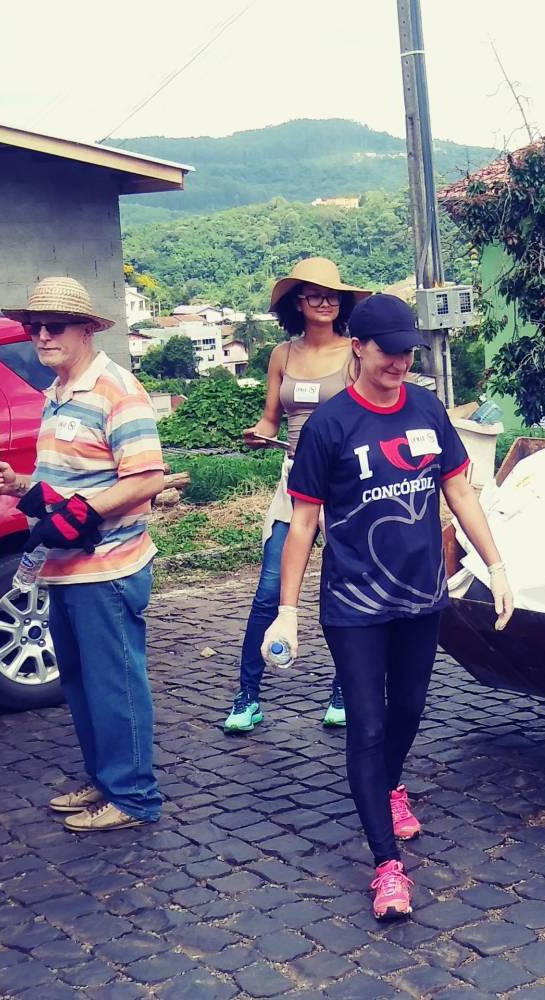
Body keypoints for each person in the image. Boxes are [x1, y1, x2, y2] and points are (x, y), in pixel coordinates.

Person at [263, 293, 513, 920]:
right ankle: (386, 865)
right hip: (354, 601)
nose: (400, 362)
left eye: (408, 352)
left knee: (408, 709)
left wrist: (496, 564)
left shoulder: (426, 408)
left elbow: (458, 488)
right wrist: (287, 608)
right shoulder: (329, 426)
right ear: (359, 348)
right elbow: (303, 523)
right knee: (368, 725)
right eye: (389, 352)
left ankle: (390, 785)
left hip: (421, 595)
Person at [0, 277, 167, 833]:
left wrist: (82, 513)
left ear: (86, 329)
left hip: (107, 567)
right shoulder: (57, 392)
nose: (42, 335)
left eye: (55, 326)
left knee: (115, 686)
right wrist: (17, 483)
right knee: (81, 686)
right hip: (63, 566)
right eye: (33, 326)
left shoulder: (116, 389)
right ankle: (106, 779)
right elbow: (63, 483)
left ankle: (134, 796)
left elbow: (147, 478)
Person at [226, 257, 368, 735]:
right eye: (314, 295)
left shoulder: (355, 354)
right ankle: (248, 696)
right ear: (298, 304)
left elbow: (365, 417)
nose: (325, 302)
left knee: (345, 586)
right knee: (270, 590)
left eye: (333, 295)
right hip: (293, 479)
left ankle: (345, 691)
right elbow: (271, 418)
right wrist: (259, 433)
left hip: (344, 484)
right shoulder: (282, 355)